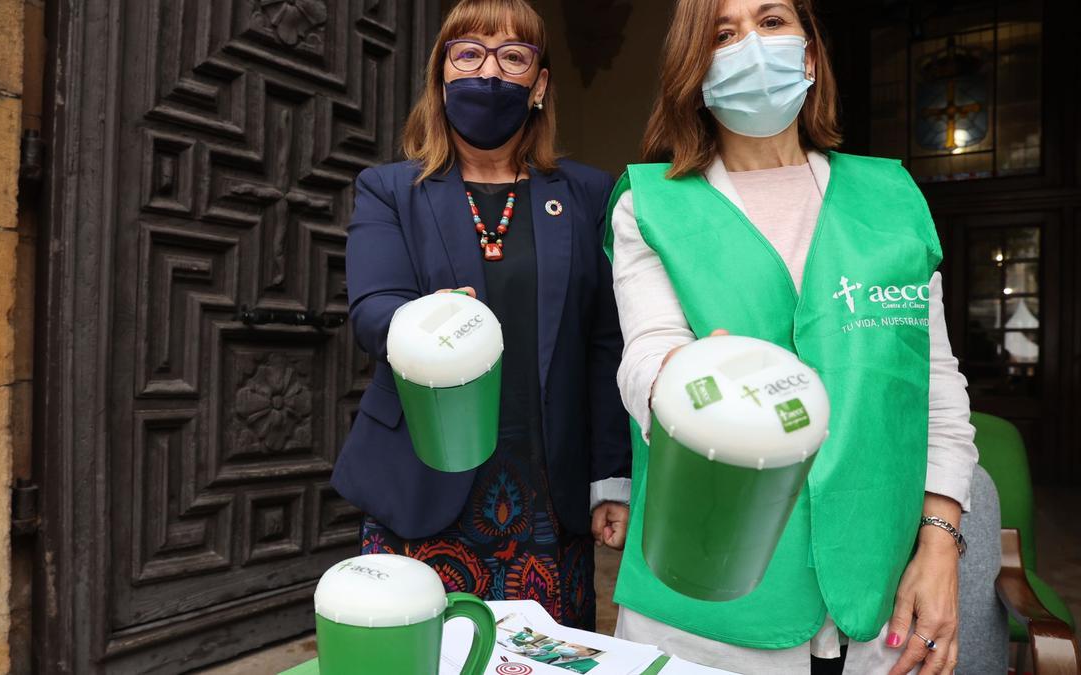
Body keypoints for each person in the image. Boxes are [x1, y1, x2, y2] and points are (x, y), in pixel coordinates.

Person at [604, 0, 978, 672]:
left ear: (808, 54)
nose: (750, 43)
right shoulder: (651, 202)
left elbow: (936, 386)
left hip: (878, 591)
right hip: (709, 598)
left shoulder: (889, 198)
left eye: (771, 21)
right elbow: (646, 351)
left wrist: (942, 540)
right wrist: (678, 380)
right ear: (696, 68)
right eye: (723, 33)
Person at [331, 0, 631, 629]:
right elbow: (371, 313)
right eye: (468, 53)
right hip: (425, 478)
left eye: (513, 56)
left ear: (540, 83)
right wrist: (430, 324)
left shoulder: (588, 193)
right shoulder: (390, 189)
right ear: (441, 74)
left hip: (547, 489)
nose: (488, 73)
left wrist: (611, 476)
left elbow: (606, 341)